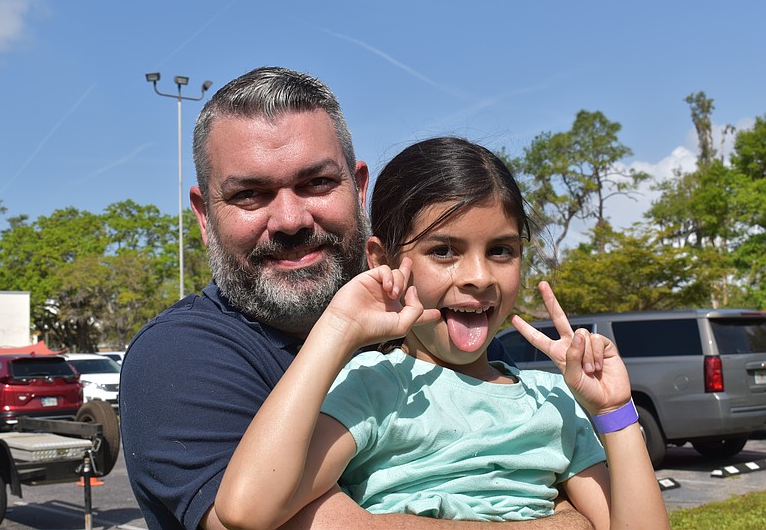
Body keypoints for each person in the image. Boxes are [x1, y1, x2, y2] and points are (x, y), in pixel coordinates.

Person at [120, 67, 588, 530]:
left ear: (359, 188)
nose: (290, 220)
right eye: (250, 194)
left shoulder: (442, 331)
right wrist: (570, 523)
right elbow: (259, 519)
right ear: (205, 216)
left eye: (317, 183)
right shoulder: (178, 357)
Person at [216, 137, 670, 529]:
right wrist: (337, 328)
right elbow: (247, 509)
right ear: (383, 261)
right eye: (444, 250)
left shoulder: (552, 400)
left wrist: (614, 410)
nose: (478, 276)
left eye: (501, 251)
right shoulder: (373, 386)